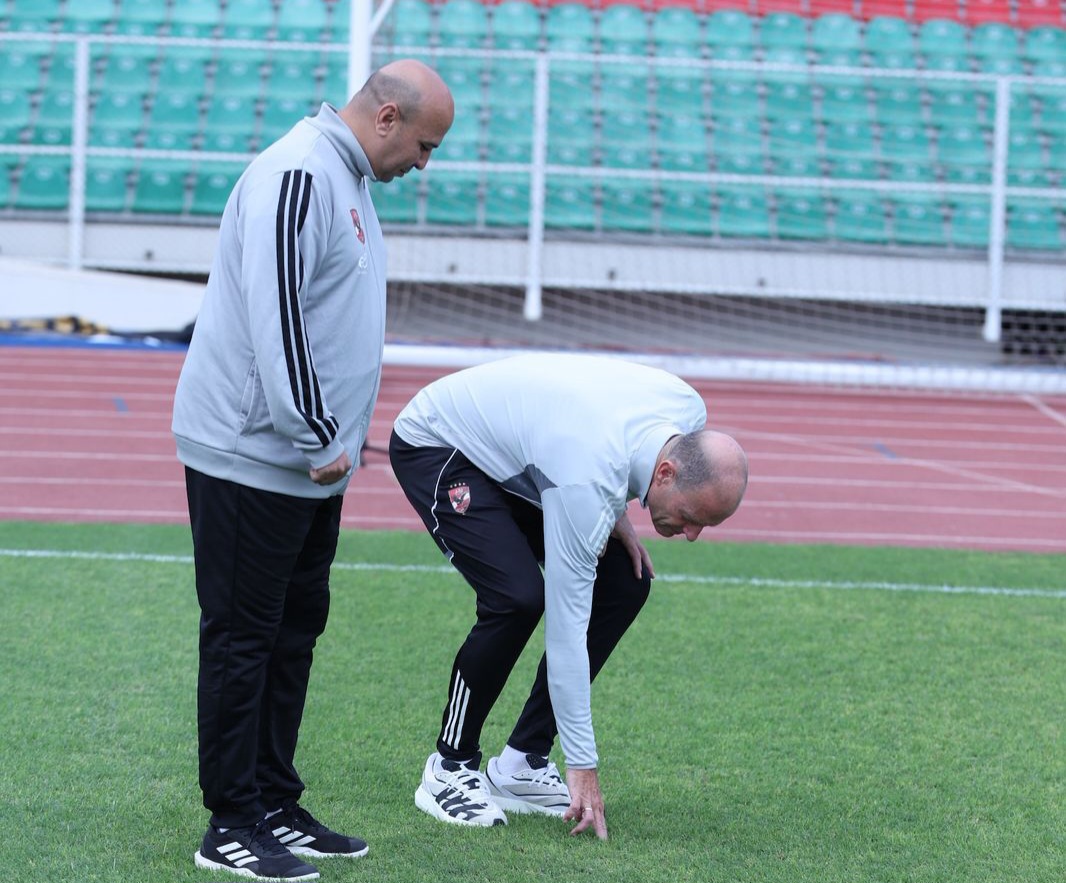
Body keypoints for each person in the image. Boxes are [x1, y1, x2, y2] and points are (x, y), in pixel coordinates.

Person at [172, 60, 453, 882]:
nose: (424, 164)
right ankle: (228, 821)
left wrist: (328, 440)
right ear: (389, 116)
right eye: (425, 145)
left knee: (292, 632)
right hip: (256, 452)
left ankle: (271, 798)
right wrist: (314, 430)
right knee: (242, 635)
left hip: (303, 460)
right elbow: (278, 308)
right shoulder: (300, 171)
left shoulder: (348, 176)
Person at [388, 353, 748, 841]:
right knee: (516, 598)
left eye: (705, 524)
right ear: (665, 474)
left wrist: (616, 509)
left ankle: (521, 762)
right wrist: (583, 764)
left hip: (531, 455)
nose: (691, 535)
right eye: (690, 516)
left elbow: (613, 444)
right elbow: (566, 636)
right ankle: (449, 767)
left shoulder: (687, 412)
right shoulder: (584, 479)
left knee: (626, 581)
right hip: (442, 444)